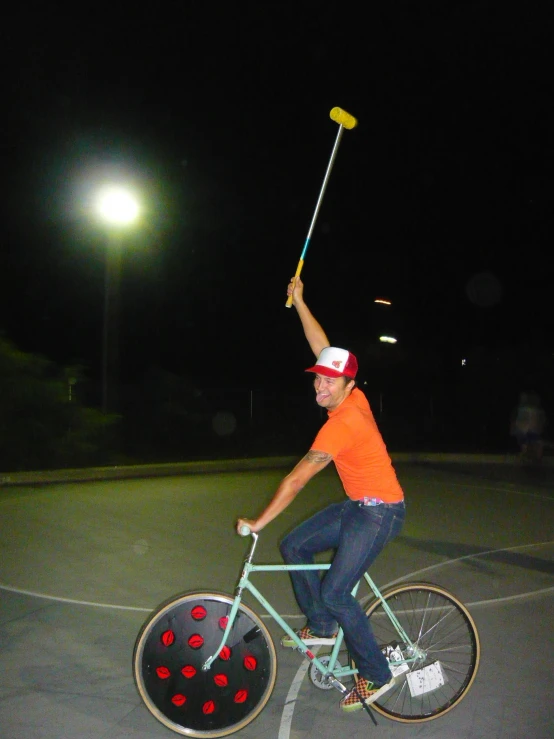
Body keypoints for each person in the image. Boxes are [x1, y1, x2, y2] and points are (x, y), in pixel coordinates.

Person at [236, 276, 406, 712]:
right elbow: (322, 346)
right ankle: (323, 626)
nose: (320, 386)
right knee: (294, 544)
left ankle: (375, 674)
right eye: (318, 379)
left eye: (330, 382)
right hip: (357, 506)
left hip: (380, 512)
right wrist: (301, 301)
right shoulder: (354, 395)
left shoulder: (342, 423)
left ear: (348, 385)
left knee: (335, 591)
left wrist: (258, 522)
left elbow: (297, 479)